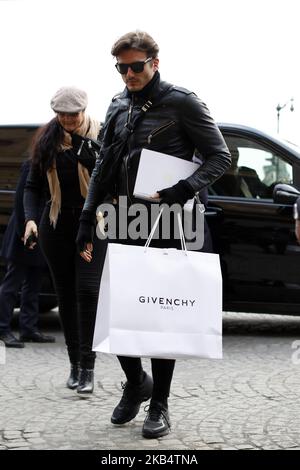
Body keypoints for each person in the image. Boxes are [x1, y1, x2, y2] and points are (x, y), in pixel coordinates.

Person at [76, 31, 231, 438]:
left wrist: (185, 188)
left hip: (171, 221)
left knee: (163, 314)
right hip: (125, 217)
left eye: (136, 66)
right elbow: (104, 166)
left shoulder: (183, 102)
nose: (129, 74)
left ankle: (159, 402)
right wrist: (86, 216)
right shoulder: (116, 105)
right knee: (117, 308)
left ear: (154, 63)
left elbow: (221, 156)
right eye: (122, 68)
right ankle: (135, 382)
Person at [23, 86, 106, 395]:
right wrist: (31, 219)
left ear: (84, 111)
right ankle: (74, 364)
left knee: (88, 291)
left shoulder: (102, 136)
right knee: (66, 296)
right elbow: (32, 187)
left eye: (74, 114)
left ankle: (89, 366)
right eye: (62, 115)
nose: (69, 120)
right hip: (56, 224)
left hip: (95, 223)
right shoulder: (47, 141)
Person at [0, 161, 55, 348]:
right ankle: (2, 329)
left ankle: (28, 329)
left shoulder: (56, 163)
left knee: (33, 283)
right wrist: (24, 232)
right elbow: (20, 199)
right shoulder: (33, 163)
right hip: (23, 231)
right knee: (11, 284)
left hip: (41, 232)